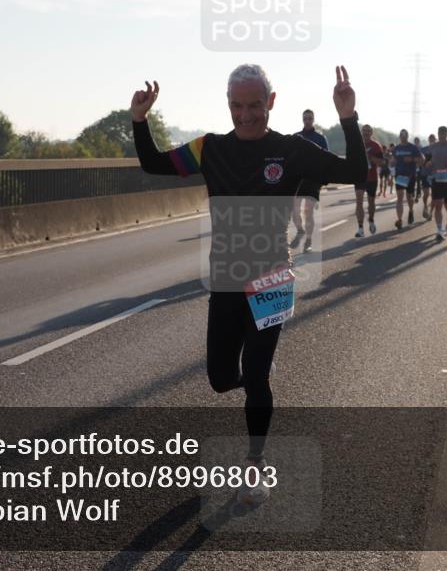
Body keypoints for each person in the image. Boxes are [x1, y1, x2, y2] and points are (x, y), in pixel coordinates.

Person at [130, 64, 367, 504]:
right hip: (225, 278)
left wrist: (348, 117)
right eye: (237, 106)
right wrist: (139, 122)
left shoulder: (291, 150)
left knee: (255, 376)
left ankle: (254, 467)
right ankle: (257, 380)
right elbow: (153, 163)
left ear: (271, 103)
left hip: (273, 274)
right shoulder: (210, 148)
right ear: (228, 105)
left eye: (254, 105)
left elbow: (356, 171)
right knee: (222, 379)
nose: (246, 115)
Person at [291, 109, 329, 253]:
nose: (307, 120)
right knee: (294, 211)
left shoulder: (320, 138)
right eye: (305, 118)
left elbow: (326, 160)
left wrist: (322, 180)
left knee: (308, 212)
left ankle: (308, 240)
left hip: (313, 180)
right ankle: (300, 230)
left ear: (313, 120)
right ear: (302, 119)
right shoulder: (296, 137)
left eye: (310, 118)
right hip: (298, 180)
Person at [354, 124, 386, 237]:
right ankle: (360, 228)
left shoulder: (376, 146)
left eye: (368, 131)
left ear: (371, 133)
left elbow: (382, 162)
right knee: (359, 201)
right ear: (361, 132)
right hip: (359, 177)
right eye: (364, 131)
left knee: (371, 202)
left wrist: (370, 157)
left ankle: (371, 220)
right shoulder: (356, 144)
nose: (366, 133)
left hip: (371, 177)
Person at [392, 129, 424, 230]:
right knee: (400, 198)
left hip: (410, 175)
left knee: (409, 197)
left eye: (405, 136)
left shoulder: (413, 147)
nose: (403, 137)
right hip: (400, 176)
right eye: (401, 136)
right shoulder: (396, 148)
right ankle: (400, 220)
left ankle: (411, 211)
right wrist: (391, 162)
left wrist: (412, 159)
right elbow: (392, 161)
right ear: (399, 137)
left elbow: (422, 159)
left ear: (407, 136)